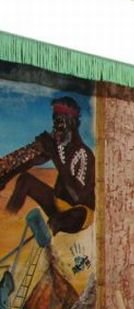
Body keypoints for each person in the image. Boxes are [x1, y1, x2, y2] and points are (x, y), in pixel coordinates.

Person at [3, 96, 95, 235]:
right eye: (55, 121)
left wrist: (54, 154)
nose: (55, 127)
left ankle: (49, 248)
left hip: (78, 215)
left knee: (65, 218)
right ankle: (7, 222)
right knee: (24, 180)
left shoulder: (84, 154)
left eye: (59, 121)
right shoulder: (58, 147)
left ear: (71, 123)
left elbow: (77, 196)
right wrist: (6, 174)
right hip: (57, 204)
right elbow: (29, 160)